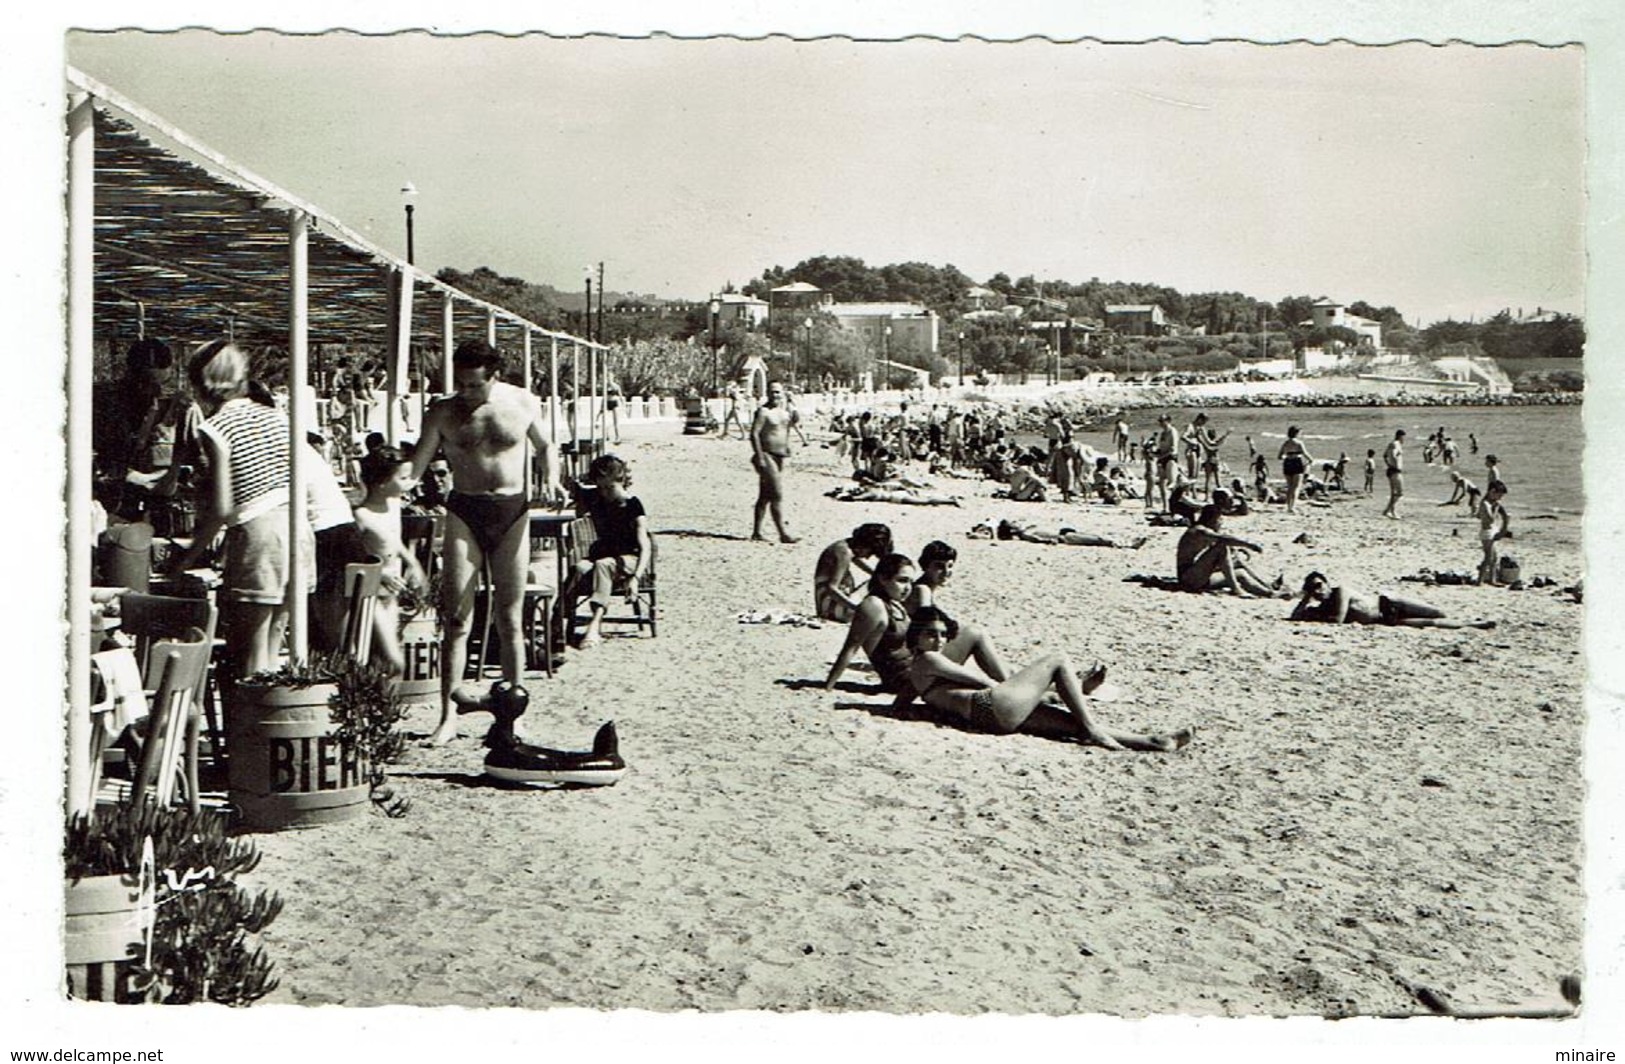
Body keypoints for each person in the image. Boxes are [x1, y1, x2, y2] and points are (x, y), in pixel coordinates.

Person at [409, 339, 563, 746]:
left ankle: (514, 715)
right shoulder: (443, 410)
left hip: (512, 511)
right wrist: (399, 485)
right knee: (457, 620)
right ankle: (448, 717)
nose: (466, 393)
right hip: (464, 510)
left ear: (494, 376)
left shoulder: (522, 401)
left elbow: (546, 446)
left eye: (474, 385)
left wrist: (551, 477)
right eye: (460, 384)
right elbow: (420, 459)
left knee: (510, 619)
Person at [169, 341, 313, 681]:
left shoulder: (215, 428)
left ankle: (249, 729)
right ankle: (269, 727)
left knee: (251, 648)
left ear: (202, 383)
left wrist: (189, 557)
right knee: (276, 642)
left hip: (258, 532)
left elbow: (222, 507)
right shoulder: (276, 415)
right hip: (296, 525)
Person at [903, 607, 1194, 751]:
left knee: (1071, 725)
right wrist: (1035, 690)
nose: (939, 640)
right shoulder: (929, 659)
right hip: (989, 705)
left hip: (985, 716)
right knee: (1058, 659)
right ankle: (1085, 712)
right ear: (916, 636)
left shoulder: (919, 667)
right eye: (931, 634)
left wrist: (904, 707)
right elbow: (984, 683)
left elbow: (907, 695)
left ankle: (1153, 741)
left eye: (943, 634)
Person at [353, 446, 428, 673]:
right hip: (371, 593)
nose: (409, 483)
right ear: (382, 482)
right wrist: (381, 573)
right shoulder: (361, 515)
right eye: (403, 478)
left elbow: (394, 541)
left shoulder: (393, 506)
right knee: (394, 659)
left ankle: (376, 703)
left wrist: (413, 563)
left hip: (391, 593)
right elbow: (353, 556)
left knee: (382, 660)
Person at [570, 453, 652, 648]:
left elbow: (645, 546)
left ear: (621, 481)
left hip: (629, 558)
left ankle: (594, 626)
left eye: (610, 487)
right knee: (578, 569)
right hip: (603, 555)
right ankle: (557, 624)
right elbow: (576, 498)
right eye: (601, 487)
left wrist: (636, 578)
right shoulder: (596, 497)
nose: (605, 492)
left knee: (603, 565)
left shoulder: (633, 505)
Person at [1290, 572, 1495, 629]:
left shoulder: (1340, 592)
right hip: (1384, 619)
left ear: (1327, 583)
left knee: (1439, 613)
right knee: (1433, 623)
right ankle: (1473, 624)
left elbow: (1339, 619)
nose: (1318, 591)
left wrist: (1314, 604)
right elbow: (1295, 617)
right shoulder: (1324, 607)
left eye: (1319, 585)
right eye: (1313, 590)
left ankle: (1470, 620)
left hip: (1389, 603)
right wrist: (1306, 598)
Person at [1175, 497, 1282, 597]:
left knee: (1240, 573)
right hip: (1188, 577)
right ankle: (1236, 589)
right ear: (1213, 519)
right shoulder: (1199, 531)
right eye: (1219, 520)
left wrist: (1236, 551)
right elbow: (1224, 539)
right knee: (1222, 547)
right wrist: (1249, 545)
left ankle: (1269, 591)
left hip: (1198, 576)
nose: (1220, 523)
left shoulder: (1205, 531)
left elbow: (1217, 553)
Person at [750, 381, 799, 543]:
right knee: (777, 494)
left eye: (778, 392)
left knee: (765, 495)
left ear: (783, 393)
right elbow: (754, 434)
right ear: (767, 393)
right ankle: (783, 534)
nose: (775, 395)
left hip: (779, 456)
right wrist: (760, 456)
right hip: (766, 455)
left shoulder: (784, 412)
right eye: (772, 392)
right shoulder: (763, 412)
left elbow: (787, 428)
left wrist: (787, 446)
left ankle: (756, 532)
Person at [814, 523, 894, 622]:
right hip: (833, 609)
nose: (867, 557)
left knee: (878, 579)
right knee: (878, 584)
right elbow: (831, 588)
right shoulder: (844, 553)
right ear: (865, 544)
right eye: (870, 552)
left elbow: (855, 560)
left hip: (828, 607)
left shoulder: (844, 546)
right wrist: (856, 608)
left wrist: (875, 573)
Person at [997, 518, 1146, 550]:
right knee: (1098, 540)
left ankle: (1126, 543)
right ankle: (1128, 545)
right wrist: (1048, 542)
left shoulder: (1025, 530)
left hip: (1065, 535)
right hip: (1065, 538)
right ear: (1012, 530)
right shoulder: (1025, 534)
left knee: (1095, 537)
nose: (1015, 522)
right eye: (1013, 523)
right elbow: (1036, 538)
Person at [1475, 480, 1511, 585]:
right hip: (1486, 532)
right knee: (1488, 557)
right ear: (1492, 492)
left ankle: (1492, 579)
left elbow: (1478, 516)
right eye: (1499, 495)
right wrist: (1495, 508)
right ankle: (1479, 580)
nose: (1500, 498)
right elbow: (1490, 519)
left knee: (1494, 558)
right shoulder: (1485, 503)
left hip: (1491, 530)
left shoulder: (1490, 503)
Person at [1192, 413, 1231, 497]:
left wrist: (1199, 438)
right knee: (1218, 481)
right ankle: (1223, 496)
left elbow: (1208, 446)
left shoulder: (1207, 445)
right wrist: (1226, 435)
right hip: (1215, 461)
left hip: (1208, 461)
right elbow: (1218, 442)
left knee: (1208, 480)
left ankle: (1206, 497)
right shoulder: (1215, 444)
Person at [1277, 425, 1313, 514]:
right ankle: (1292, 507)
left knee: (1290, 487)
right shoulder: (1299, 443)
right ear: (1296, 433)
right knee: (1296, 487)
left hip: (1287, 462)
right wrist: (1311, 459)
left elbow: (1279, 456)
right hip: (1296, 462)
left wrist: (1288, 455)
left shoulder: (1285, 443)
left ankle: (1289, 506)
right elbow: (1305, 453)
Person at [1153, 414, 1179, 511]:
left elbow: (1173, 449)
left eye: (1162, 421)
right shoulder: (1163, 433)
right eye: (1159, 421)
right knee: (1161, 484)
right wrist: (1154, 453)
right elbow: (1161, 447)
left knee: (1171, 483)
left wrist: (1160, 455)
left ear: (1168, 421)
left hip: (1170, 459)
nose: (1160, 423)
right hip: (1162, 458)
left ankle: (1174, 506)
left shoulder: (1173, 431)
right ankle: (1165, 506)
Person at [1381, 429, 1406, 519]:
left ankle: (1390, 511)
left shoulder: (1391, 444)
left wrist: (1389, 464)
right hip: (1395, 470)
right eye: (1403, 437)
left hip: (1391, 469)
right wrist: (1395, 465)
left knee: (1394, 493)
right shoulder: (1396, 444)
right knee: (1399, 492)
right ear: (1400, 436)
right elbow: (1394, 455)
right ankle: (1389, 511)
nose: (1404, 439)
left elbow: (1384, 456)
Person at [603, 380, 622, 445]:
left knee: (615, 421)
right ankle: (606, 436)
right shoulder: (605, 385)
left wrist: (623, 404)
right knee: (605, 420)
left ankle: (617, 436)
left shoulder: (616, 386)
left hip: (614, 402)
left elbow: (620, 395)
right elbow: (604, 396)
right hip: (607, 402)